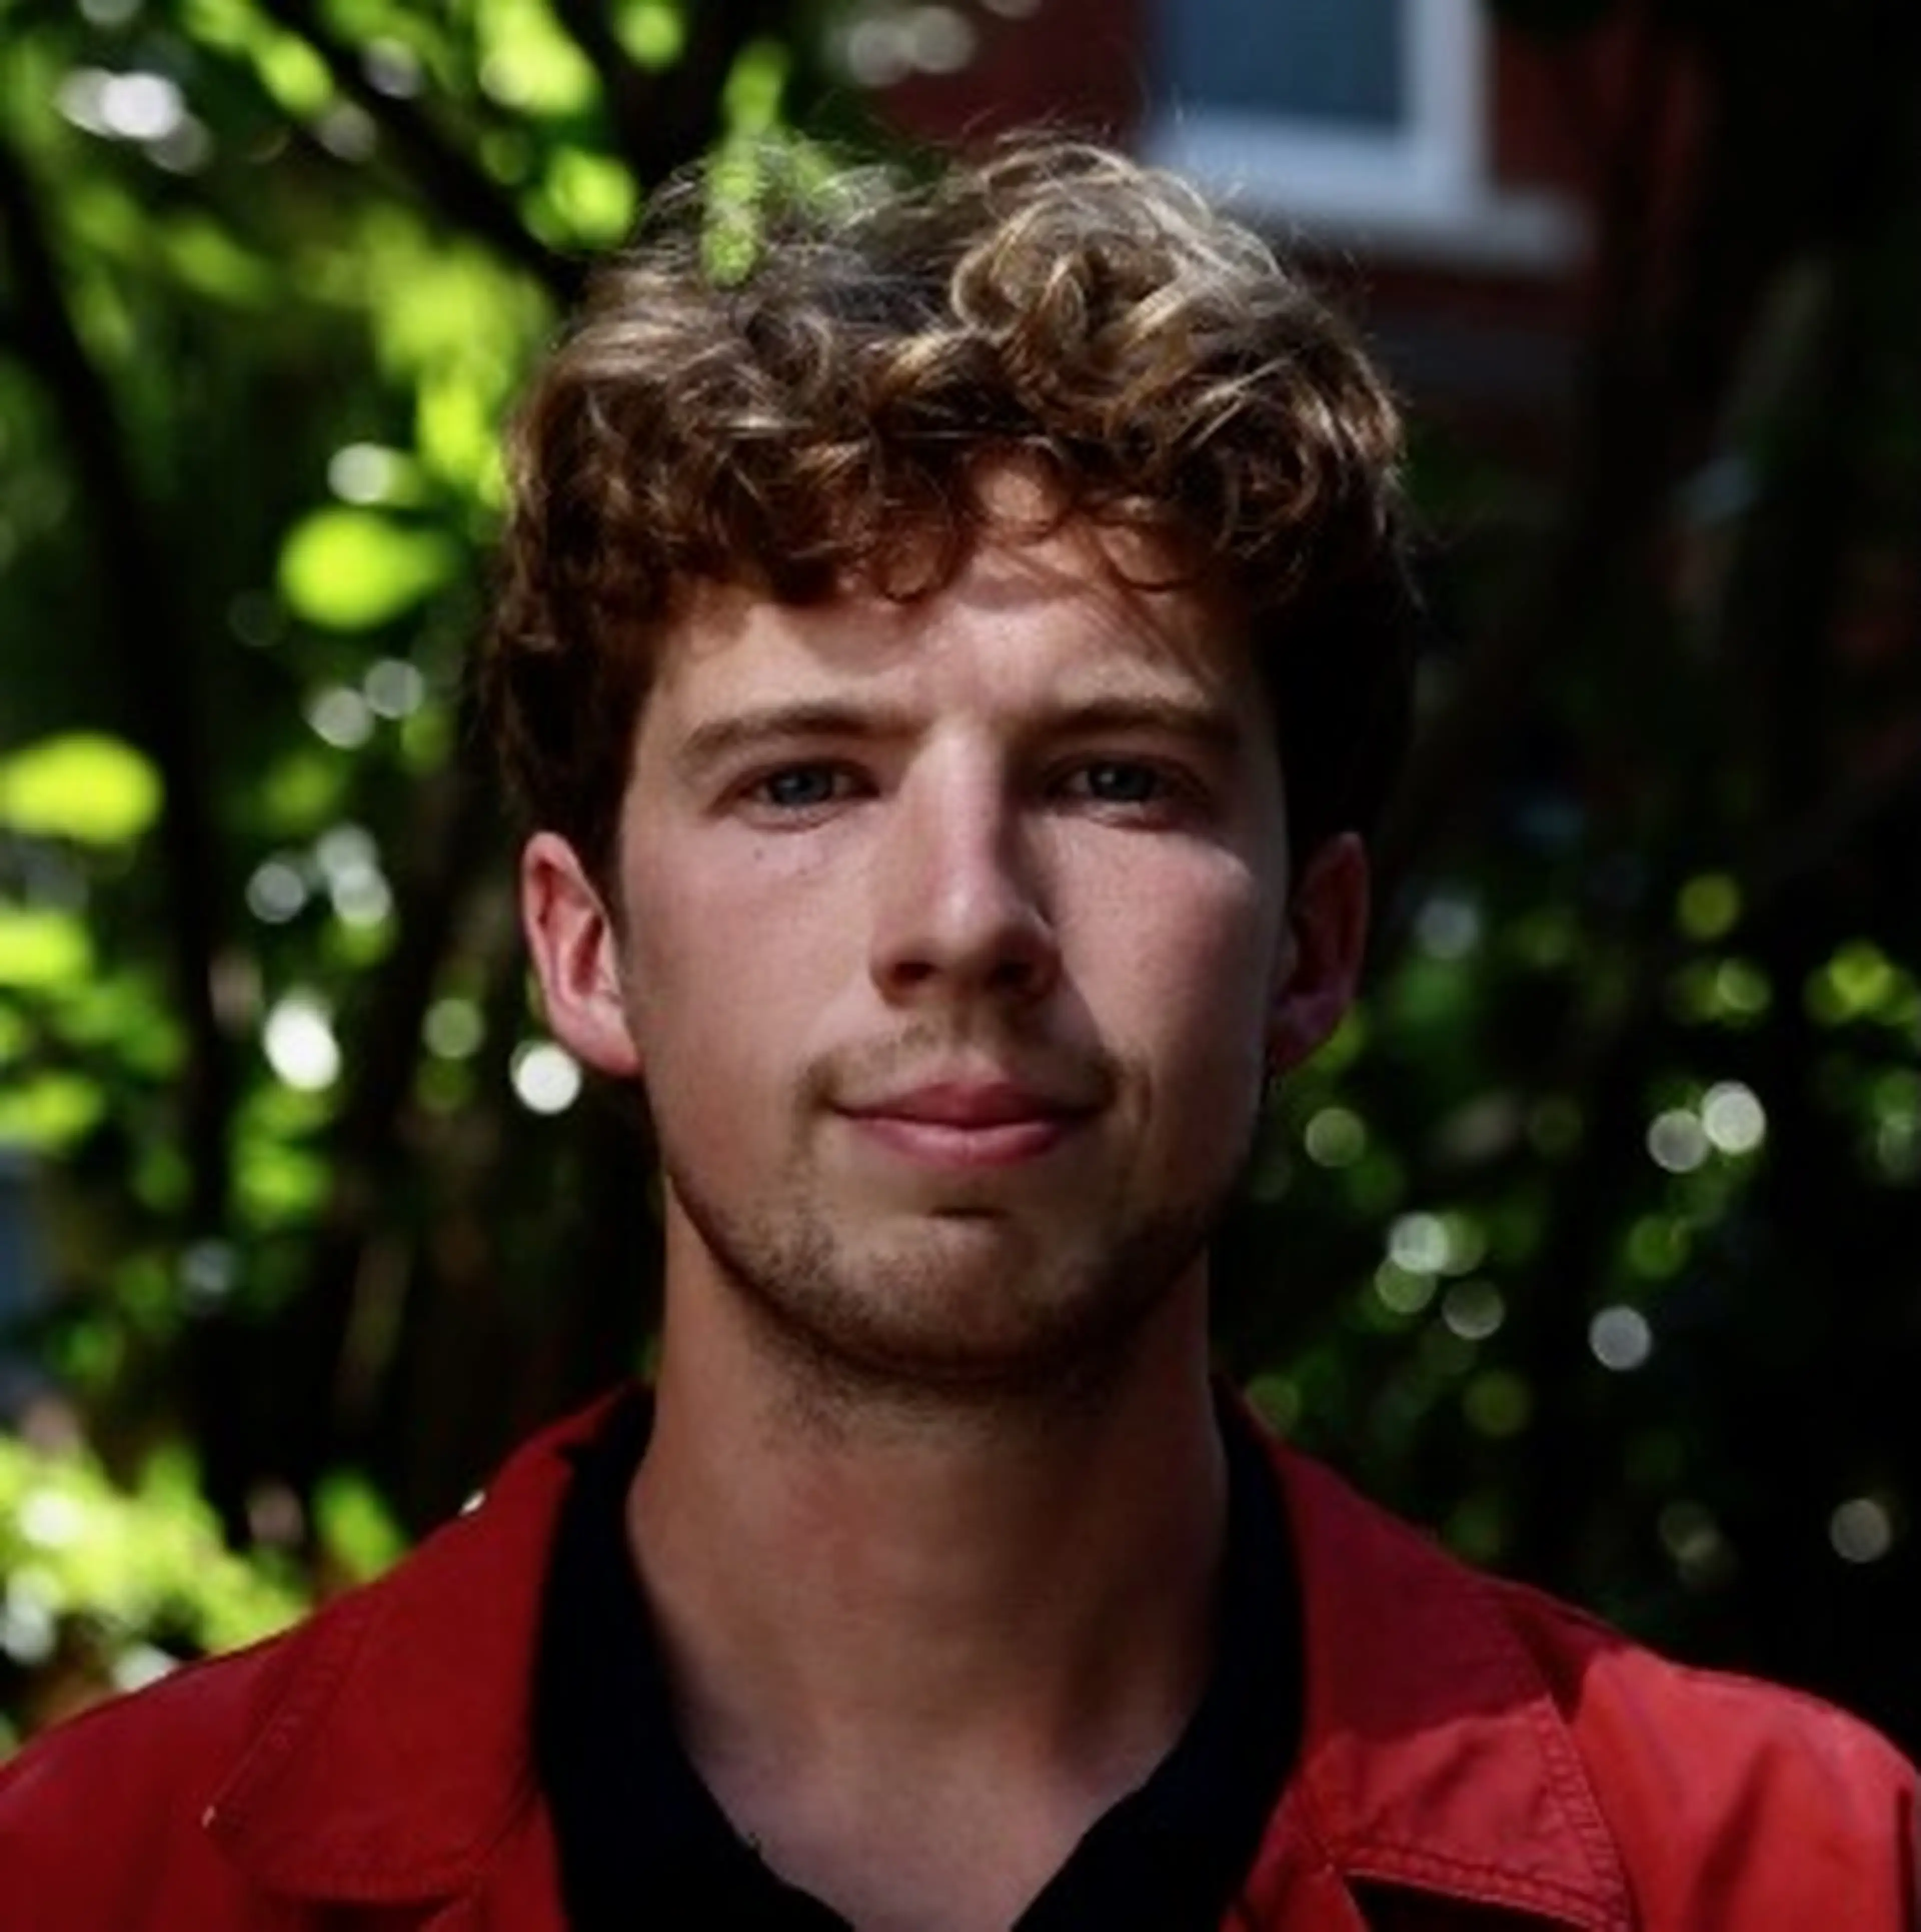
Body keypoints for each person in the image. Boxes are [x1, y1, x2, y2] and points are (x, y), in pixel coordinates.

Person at [1, 140, 1913, 1932]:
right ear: (587, 953)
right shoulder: (89, 1882)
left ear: (1312, 947)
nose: (966, 922)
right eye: (806, 779)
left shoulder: (1793, 1874)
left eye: (1114, 775)